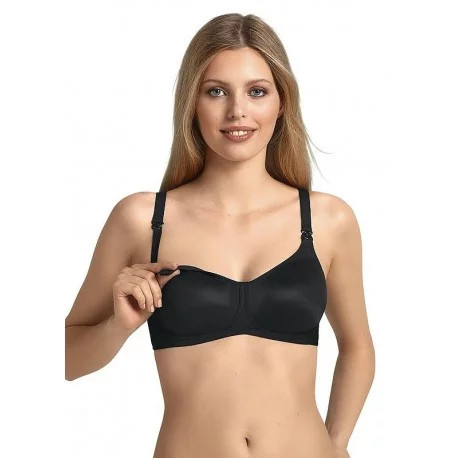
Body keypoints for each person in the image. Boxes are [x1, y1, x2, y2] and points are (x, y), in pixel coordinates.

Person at [65, 13, 375, 458]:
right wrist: (118, 327)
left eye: (256, 91)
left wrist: (338, 444)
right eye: (216, 91)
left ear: (281, 102)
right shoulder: (142, 219)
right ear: (192, 103)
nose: (237, 111)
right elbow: (65, 360)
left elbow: (357, 347)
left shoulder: (328, 220)